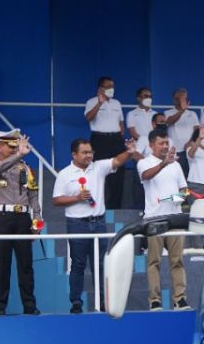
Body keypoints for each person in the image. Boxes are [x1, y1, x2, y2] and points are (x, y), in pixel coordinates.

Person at [52, 136, 140, 313]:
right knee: (77, 264)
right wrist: (76, 198)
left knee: (100, 264)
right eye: (84, 152)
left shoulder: (98, 167)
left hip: (99, 223)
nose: (88, 155)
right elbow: (56, 200)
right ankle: (76, 302)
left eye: (90, 152)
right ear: (74, 154)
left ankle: (103, 301)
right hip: (77, 224)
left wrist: (129, 153)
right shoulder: (64, 174)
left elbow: (116, 161)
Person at [0, 129, 42, 316]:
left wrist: (37, 221)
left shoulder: (25, 168)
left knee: (26, 264)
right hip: (1, 218)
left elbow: (33, 196)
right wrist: (18, 156)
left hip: (22, 218)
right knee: (1, 263)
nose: (14, 149)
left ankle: (30, 305)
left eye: (16, 146)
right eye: (10, 146)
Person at [138, 126, 189, 311]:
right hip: (154, 219)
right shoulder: (144, 162)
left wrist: (176, 198)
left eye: (167, 142)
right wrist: (163, 164)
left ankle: (180, 299)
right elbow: (146, 176)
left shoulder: (176, 164)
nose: (165, 146)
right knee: (154, 262)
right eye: (161, 143)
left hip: (175, 218)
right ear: (152, 145)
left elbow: (185, 191)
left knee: (177, 260)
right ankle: (155, 301)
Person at [84, 76, 127, 209]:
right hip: (99, 139)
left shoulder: (117, 103)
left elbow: (121, 122)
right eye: (108, 86)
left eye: (112, 86)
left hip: (116, 139)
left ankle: (115, 206)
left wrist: (120, 135)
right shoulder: (91, 101)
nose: (111, 89)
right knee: (97, 171)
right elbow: (88, 117)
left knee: (118, 172)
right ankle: (97, 204)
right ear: (100, 88)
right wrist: (100, 103)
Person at [164, 88, 199, 155]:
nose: (185, 100)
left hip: (190, 149)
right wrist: (182, 111)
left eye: (186, 98)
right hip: (175, 150)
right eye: (182, 98)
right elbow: (169, 122)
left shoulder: (193, 113)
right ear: (175, 100)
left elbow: (196, 130)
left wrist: (190, 142)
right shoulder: (167, 113)